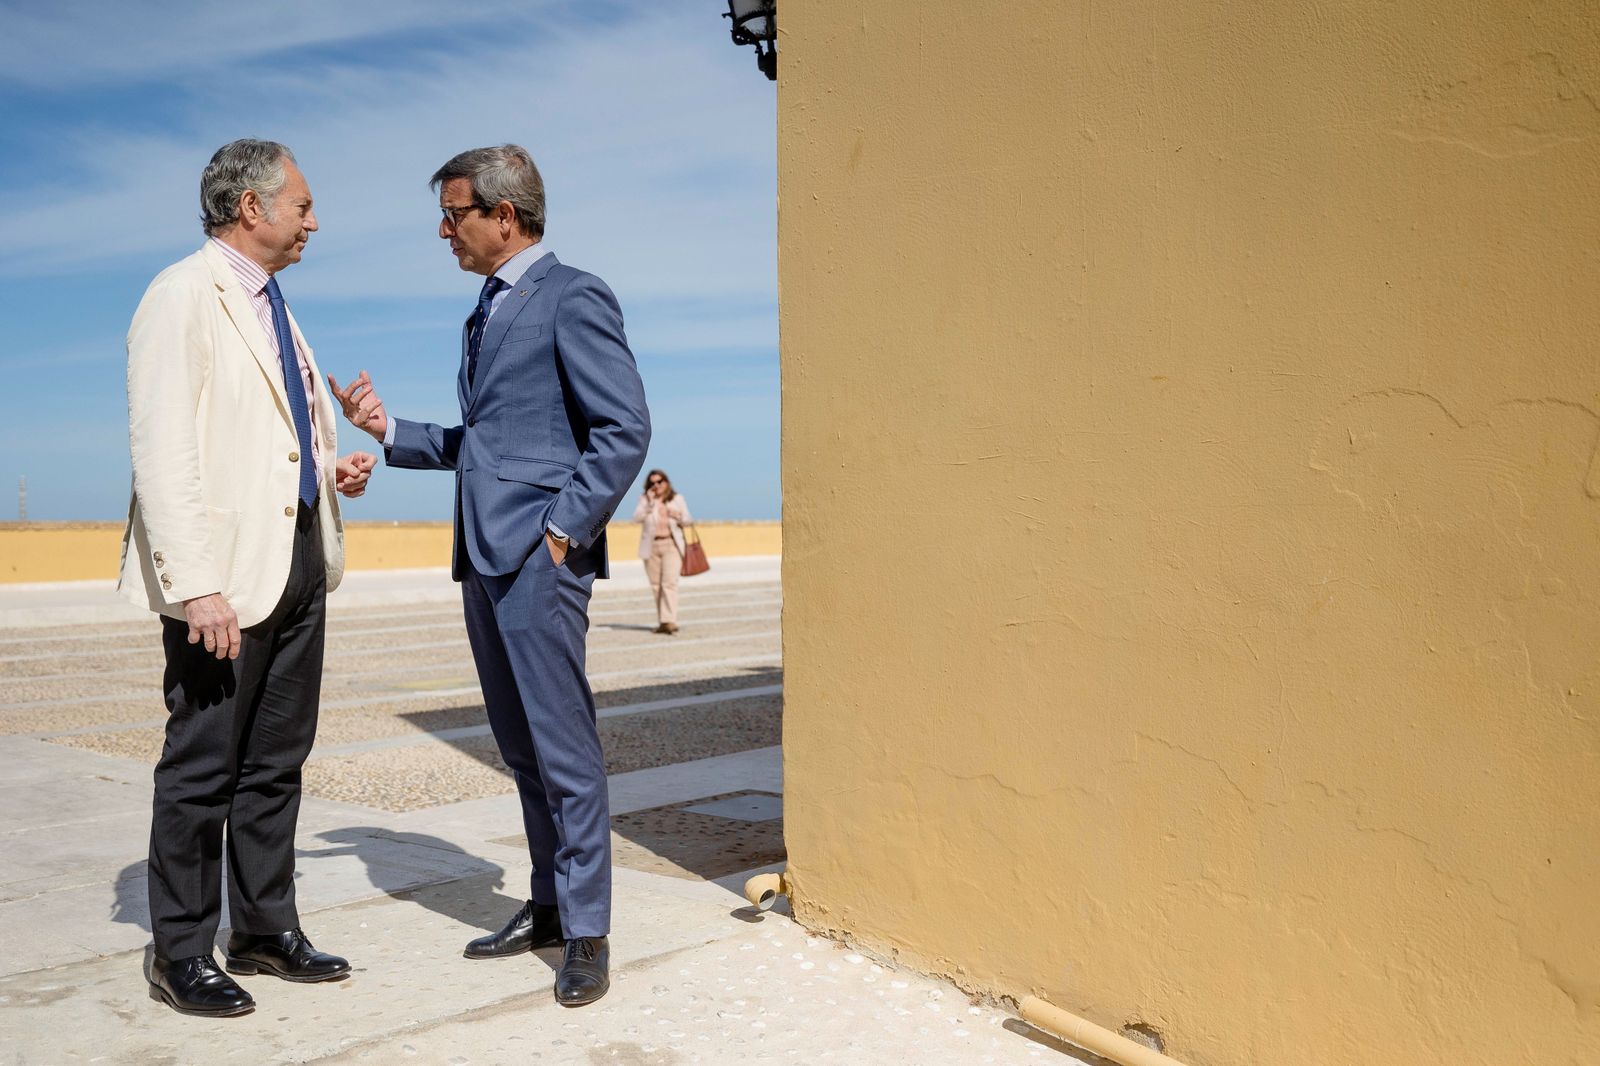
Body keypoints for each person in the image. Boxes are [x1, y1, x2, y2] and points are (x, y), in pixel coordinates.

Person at [329, 144, 649, 1007]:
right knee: (520, 748)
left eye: (455, 214)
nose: (445, 230)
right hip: (483, 558)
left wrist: (560, 531)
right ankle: (547, 905)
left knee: (563, 746)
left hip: (537, 559)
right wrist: (389, 427)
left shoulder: (572, 294)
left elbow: (623, 429)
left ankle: (586, 930)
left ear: (503, 217)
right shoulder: (488, 306)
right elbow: (494, 443)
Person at [119, 139, 377, 1017]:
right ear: (250, 209)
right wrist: (196, 584)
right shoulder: (181, 295)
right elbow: (163, 453)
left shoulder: (278, 306)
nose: (314, 219)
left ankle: (264, 929)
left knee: (276, 761)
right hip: (224, 578)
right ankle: (180, 950)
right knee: (201, 765)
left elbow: (272, 438)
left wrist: (329, 469)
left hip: (299, 558)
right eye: (302, 204)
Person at [631, 469, 693, 634]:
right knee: (656, 586)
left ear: (666, 482)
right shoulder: (645, 500)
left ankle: (669, 621)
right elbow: (636, 518)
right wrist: (650, 504)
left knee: (669, 583)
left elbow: (688, 520)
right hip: (651, 547)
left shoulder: (676, 499)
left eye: (659, 481)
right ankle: (663, 621)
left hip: (671, 545)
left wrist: (677, 515)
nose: (656, 485)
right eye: (652, 483)